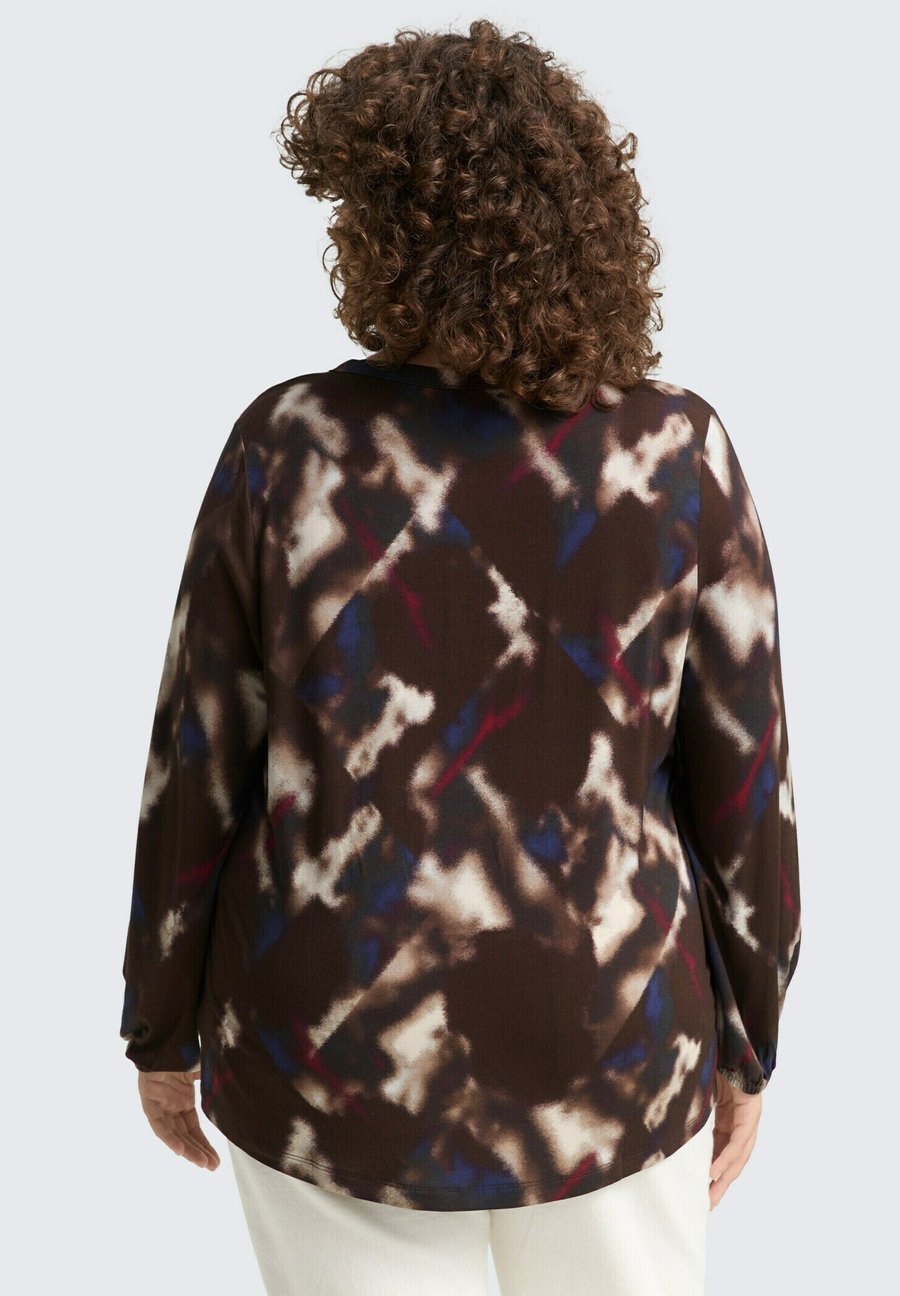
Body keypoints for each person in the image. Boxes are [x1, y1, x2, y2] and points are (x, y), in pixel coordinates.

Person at [119, 17, 801, 1296]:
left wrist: (158, 1025)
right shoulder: (679, 454)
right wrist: (750, 1038)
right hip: (611, 1041)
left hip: (332, 1047)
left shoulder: (289, 447)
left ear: (386, 236)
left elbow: (196, 767)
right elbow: (745, 790)